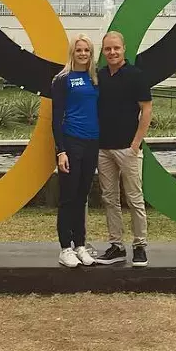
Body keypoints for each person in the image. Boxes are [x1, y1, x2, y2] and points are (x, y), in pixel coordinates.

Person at [93, 30, 153, 267]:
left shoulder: (136, 75)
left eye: (116, 48)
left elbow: (146, 110)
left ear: (124, 49)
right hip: (103, 149)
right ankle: (116, 246)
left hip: (128, 149)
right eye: (108, 49)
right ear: (103, 51)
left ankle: (140, 246)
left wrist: (135, 144)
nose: (112, 52)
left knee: (135, 199)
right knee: (109, 199)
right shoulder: (99, 76)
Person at [50, 33, 100, 268]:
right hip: (71, 143)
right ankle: (65, 248)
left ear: (91, 53)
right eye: (79, 50)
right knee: (68, 198)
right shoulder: (62, 79)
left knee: (82, 197)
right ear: (73, 52)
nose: (83, 54)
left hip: (92, 144)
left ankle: (80, 245)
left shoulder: (95, 79)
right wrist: (61, 151)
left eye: (86, 50)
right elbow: (56, 118)